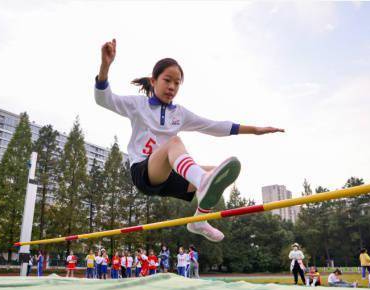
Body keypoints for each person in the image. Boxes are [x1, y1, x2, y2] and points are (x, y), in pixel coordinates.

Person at [94, 39, 284, 242]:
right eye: (167, 80)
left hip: (167, 177)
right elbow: (104, 100)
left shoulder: (180, 114)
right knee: (175, 143)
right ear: (153, 81)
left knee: (217, 172)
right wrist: (105, 66)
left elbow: (214, 126)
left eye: (177, 83)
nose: (172, 87)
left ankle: (199, 220)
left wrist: (254, 130)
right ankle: (201, 181)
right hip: (143, 172)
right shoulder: (137, 105)